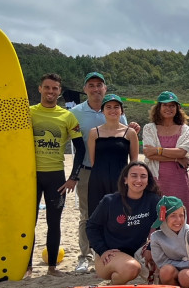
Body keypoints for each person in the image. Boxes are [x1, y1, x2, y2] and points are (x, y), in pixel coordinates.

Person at [69, 71, 137, 274]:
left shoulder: (119, 114)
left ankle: (118, 253)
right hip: (90, 172)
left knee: (119, 214)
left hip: (117, 173)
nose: (96, 88)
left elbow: (126, 143)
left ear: (105, 88)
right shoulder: (76, 113)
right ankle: (85, 257)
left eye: (99, 85)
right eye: (91, 85)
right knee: (87, 216)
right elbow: (86, 151)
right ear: (85, 89)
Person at [30, 73, 85, 276]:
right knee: (29, 222)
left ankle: (52, 267)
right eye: (47, 87)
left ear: (59, 92)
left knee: (54, 222)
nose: (50, 91)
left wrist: (73, 177)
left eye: (54, 88)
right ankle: (27, 266)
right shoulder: (28, 113)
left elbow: (81, 149)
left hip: (56, 177)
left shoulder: (67, 116)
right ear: (40, 89)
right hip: (30, 177)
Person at [87, 161, 161, 284]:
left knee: (166, 269)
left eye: (143, 176)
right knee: (131, 268)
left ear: (148, 181)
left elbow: (161, 226)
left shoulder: (153, 201)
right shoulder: (109, 201)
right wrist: (102, 250)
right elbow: (91, 226)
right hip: (111, 254)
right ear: (125, 180)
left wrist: (150, 246)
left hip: (138, 252)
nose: (138, 180)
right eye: (134, 175)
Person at [141, 91, 189, 227]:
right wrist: (177, 158)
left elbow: (182, 151)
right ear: (158, 108)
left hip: (178, 179)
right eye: (165, 105)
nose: (168, 108)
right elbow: (149, 154)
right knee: (157, 214)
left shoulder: (184, 129)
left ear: (177, 108)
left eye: (172, 105)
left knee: (179, 214)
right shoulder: (149, 128)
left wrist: (158, 150)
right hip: (156, 179)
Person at [86, 93, 139, 216]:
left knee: (120, 216)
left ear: (121, 111)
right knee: (97, 216)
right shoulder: (94, 133)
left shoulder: (130, 133)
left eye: (116, 107)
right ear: (102, 111)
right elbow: (93, 161)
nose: (112, 110)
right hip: (98, 179)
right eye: (108, 107)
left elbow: (134, 163)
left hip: (121, 180)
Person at [150, 195, 189, 288]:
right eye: (173, 215)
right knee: (165, 271)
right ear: (163, 218)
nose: (179, 220)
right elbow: (162, 263)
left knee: (185, 276)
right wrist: (188, 264)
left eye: (181, 215)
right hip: (177, 270)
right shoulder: (156, 237)